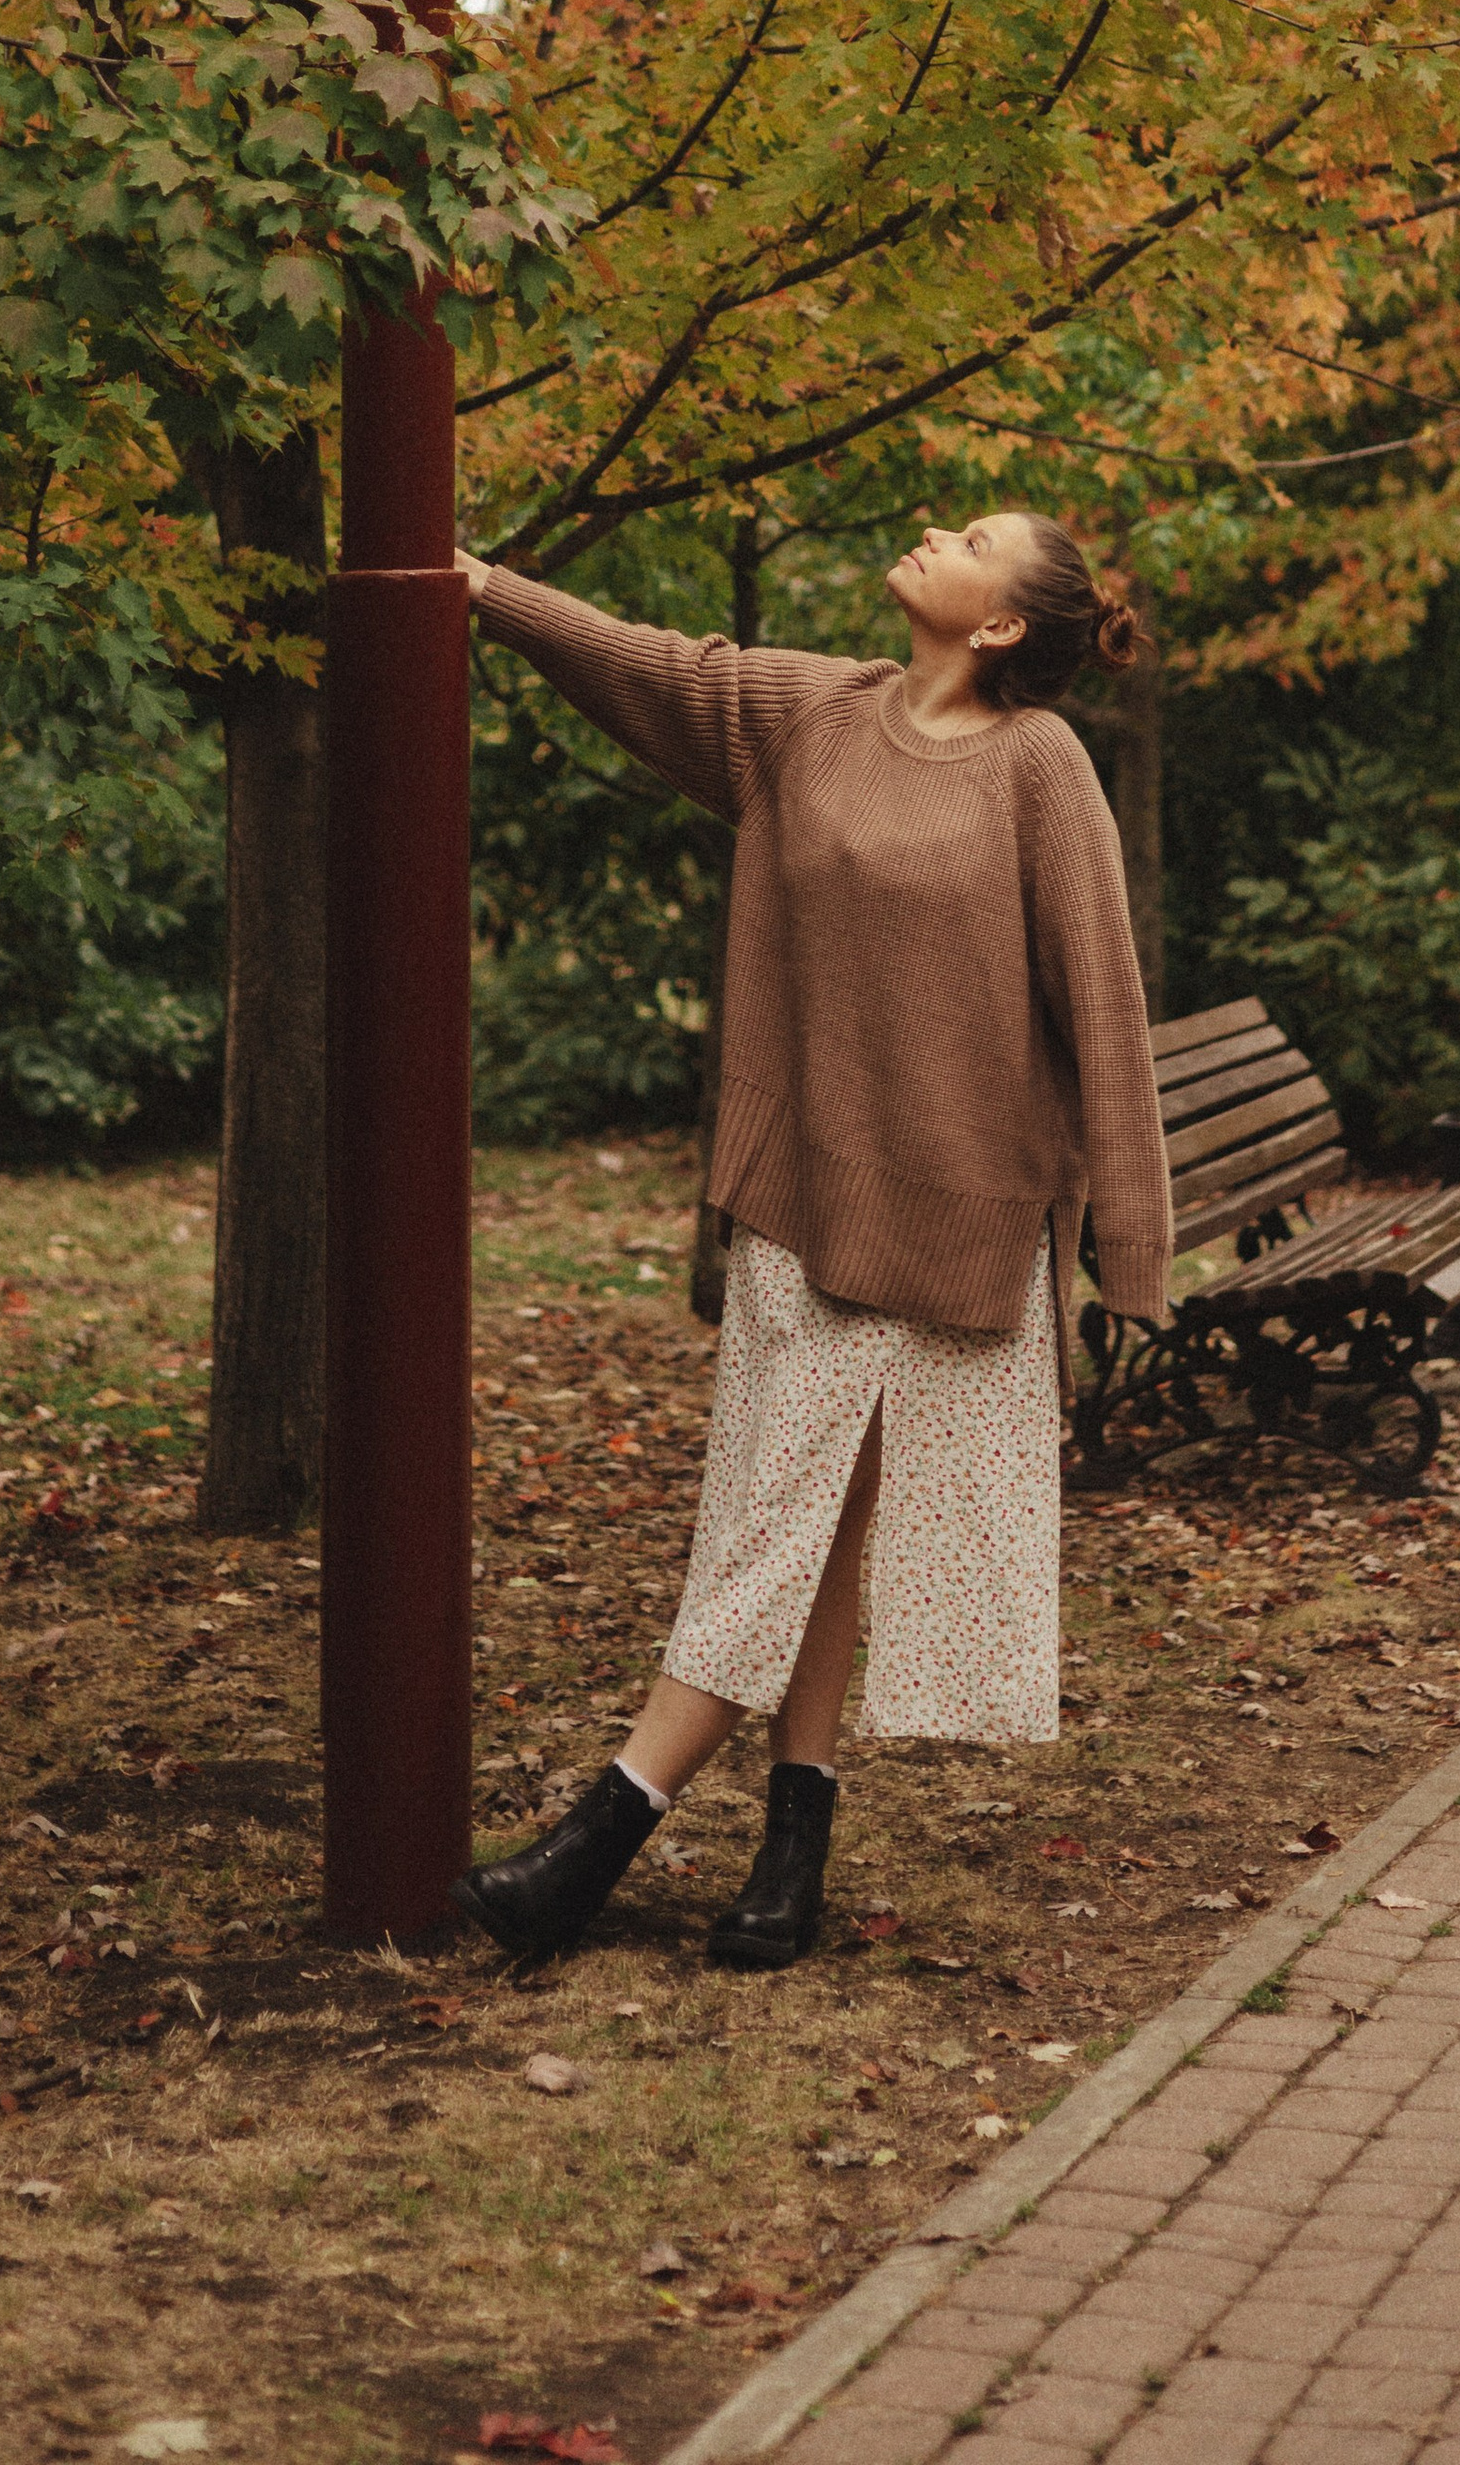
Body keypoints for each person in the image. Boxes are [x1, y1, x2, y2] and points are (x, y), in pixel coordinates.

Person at [451, 508, 1172, 1972]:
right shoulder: (812, 715)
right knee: (791, 1522)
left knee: (810, 1525)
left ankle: (613, 1835)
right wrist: (483, 591)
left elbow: (1105, 1006)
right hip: (809, 1203)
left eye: (967, 535)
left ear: (1001, 625)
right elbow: (654, 667)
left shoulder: (1043, 770)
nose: (924, 531)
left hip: (964, 1222)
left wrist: (1132, 1254)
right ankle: (786, 1838)